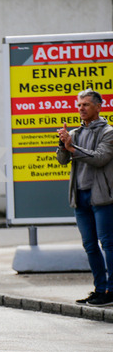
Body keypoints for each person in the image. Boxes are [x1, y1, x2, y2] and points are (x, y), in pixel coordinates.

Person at [57, 88, 113, 306]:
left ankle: (111, 290)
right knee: (90, 245)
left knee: (108, 243)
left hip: (101, 197)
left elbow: (100, 158)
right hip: (80, 196)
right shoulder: (75, 133)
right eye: (79, 105)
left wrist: (72, 147)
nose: (81, 108)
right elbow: (63, 160)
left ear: (98, 107)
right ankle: (100, 289)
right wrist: (63, 144)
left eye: (86, 104)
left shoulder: (108, 132)